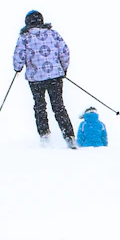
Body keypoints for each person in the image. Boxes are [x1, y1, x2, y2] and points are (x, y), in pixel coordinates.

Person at [13, 10, 77, 149]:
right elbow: (65, 52)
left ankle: (45, 136)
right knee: (59, 106)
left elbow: (19, 56)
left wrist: (17, 68)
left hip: (36, 79)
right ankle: (69, 137)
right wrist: (63, 69)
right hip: (55, 76)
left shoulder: (24, 37)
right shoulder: (53, 34)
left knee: (40, 106)